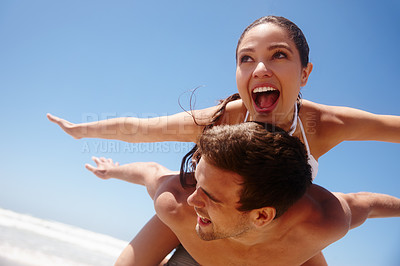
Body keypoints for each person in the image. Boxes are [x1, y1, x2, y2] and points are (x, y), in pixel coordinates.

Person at [47, 15, 400, 264]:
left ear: (305, 73)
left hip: (271, 231)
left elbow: (385, 143)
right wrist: (82, 130)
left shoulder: (323, 124)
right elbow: (142, 129)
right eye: (247, 59)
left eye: (278, 54)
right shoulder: (222, 119)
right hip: (200, 218)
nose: (260, 68)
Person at [86, 122, 400, 266]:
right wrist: (112, 170)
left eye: (210, 195)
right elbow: (150, 171)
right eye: (197, 182)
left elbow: (367, 204)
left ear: (262, 215)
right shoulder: (178, 203)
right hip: (193, 255)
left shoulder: (324, 220)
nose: (195, 197)